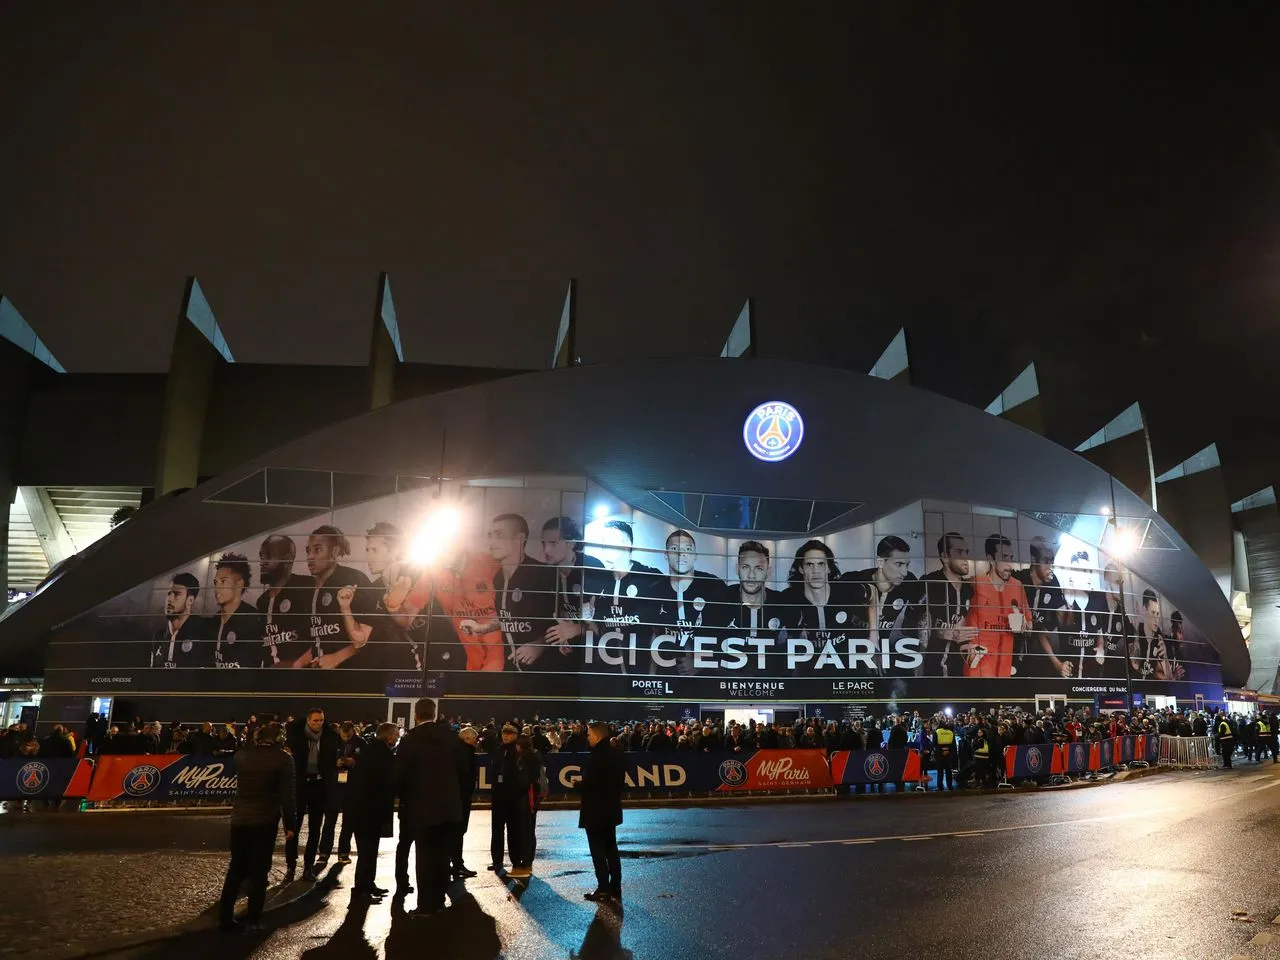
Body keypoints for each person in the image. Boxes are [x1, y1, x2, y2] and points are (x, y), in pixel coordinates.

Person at [394, 698, 472, 918]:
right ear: (435, 713)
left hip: (422, 808)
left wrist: (406, 798)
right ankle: (439, 899)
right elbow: (464, 772)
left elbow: (399, 775)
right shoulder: (451, 738)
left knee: (425, 858)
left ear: (416, 715)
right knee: (441, 856)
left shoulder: (410, 740)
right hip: (449, 808)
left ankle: (427, 904)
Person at [218, 723, 296, 932]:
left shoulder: (242, 756)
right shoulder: (283, 759)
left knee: (236, 867)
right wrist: (291, 824)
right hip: (265, 819)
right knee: (259, 870)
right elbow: (287, 796)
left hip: (241, 818)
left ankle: (224, 916)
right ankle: (253, 918)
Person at [284, 708, 340, 881]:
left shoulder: (329, 738)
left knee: (315, 828)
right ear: (308, 721)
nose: (318, 724)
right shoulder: (296, 738)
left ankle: (308, 866)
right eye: (315, 720)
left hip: (319, 785)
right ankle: (291, 866)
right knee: (293, 827)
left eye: (321, 720)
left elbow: (331, 763)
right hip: (300, 785)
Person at [346, 722, 397, 903]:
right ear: (389, 736)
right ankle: (361, 889)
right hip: (369, 811)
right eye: (396, 734)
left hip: (363, 810)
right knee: (367, 852)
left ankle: (368, 884)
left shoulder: (371, 751)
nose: (397, 737)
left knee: (369, 851)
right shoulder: (382, 755)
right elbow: (386, 783)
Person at [576, 721, 624, 904]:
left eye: (589, 734)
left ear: (597, 736)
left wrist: (578, 785)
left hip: (595, 811)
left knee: (598, 851)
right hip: (611, 809)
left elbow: (592, 784)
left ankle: (603, 888)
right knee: (611, 849)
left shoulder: (595, 757)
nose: (587, 738)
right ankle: (615, 886)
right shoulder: (616, 754)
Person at [452, 727, 480, 881]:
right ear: (468, 739)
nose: (477, 741)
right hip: (461, 798)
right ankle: (457, 864)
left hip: (456, 797)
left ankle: (454, 864)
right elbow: (466, 776)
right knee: (458, 832)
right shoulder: (466, 753)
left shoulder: (455, 751)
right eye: (475, 738)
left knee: (453, 833)